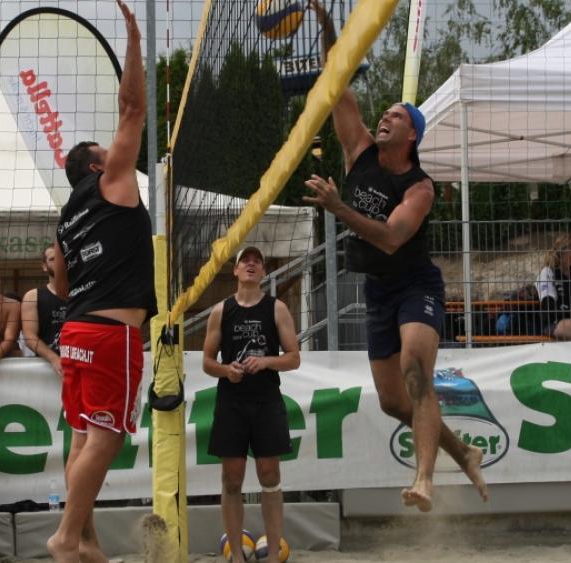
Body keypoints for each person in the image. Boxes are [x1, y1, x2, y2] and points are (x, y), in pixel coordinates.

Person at [304, 0, 487, 512]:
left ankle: (425, 478)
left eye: (396, 116)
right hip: (378, 292)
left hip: (415, 287)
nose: (384, 116)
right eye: (384, 112)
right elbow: (335, 85)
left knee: (414, 371)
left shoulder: (420, 187)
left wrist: (339, 206)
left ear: (412, 136)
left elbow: (388, 238)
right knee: (391, 403)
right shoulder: (359, 150)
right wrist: (325, 27)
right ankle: (464, 452)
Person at [45, 2, 156, 561]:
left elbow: (59, 290)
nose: (117, 155)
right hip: (113, 335)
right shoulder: (113, 182)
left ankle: (85, 541)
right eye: (107, 152)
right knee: (106, 438)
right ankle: (67, 536)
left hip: (75, 335)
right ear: (97, 166)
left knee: (85, 437)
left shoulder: (66, 217)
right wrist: (134, 38)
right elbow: (133, 107)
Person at [203, 246, 300, 563]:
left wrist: (267, 361)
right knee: (232, 477)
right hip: (232, 400)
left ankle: (273, 553)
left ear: (262, 273)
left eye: (257, 261)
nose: (251, 264)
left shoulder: (277, 309)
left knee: (269, 474)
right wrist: (226, 370)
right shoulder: (221, 310)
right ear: (235, 270)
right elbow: (206, 361)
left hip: (266, 400)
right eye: (245, 260)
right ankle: (236, 554)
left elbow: (293, 358)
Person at [21, 245, 67, 376]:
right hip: (46, 366)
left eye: (61, 259)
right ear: (44, 266)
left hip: (80, 361)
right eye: (53, 259)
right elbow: (29, 337)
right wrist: (54, 359)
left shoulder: (82, 293)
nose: (58, 262)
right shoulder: (32, 296)